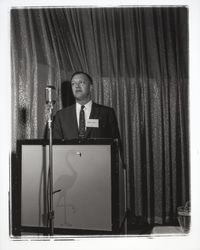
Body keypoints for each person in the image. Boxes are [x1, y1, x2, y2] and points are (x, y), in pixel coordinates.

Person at [52, 71, 121, 141]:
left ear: (91, 87)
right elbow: (56, 146)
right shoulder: (61, 116)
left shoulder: (107, 113)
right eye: (73, 84)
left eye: (81, 82)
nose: (77, 86)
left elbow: (116, 145)